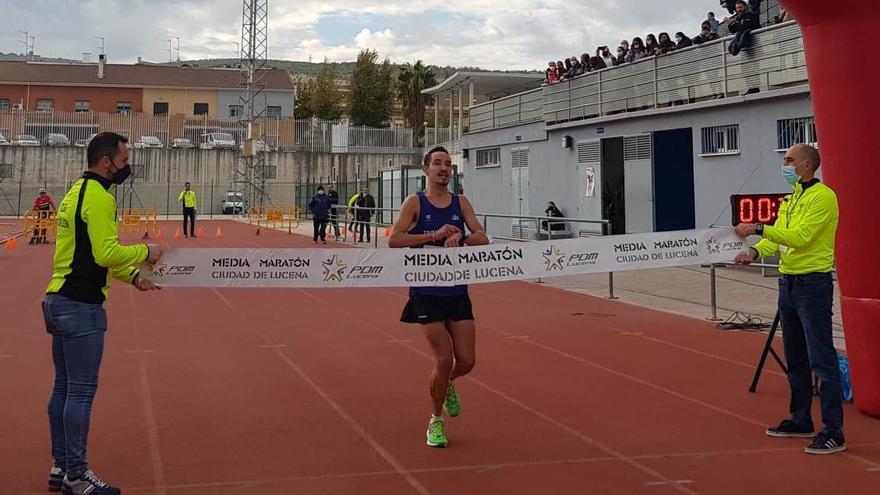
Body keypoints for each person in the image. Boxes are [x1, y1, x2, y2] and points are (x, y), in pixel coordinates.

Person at [42, 132, 163, 494]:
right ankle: (77, 476)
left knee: (63, 388)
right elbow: (105, 254)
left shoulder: (73, 194)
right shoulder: (99, 197)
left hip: (59, 298)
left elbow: (87, 254)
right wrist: (144, 251)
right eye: (125, 161)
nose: (127, 167)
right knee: (80, 392)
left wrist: (133, 277)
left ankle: (61, 465)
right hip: (80, 306)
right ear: (106, 161)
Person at [734, 144, 845, 455]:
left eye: (789, 160)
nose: (784, 165)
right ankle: (801, 419)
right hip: (789, 284)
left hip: (813, 284)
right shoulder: (791, 199)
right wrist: (755, 250)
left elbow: (800, 238)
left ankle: (834, 430)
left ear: (807, 165)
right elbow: (778, 239)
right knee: (795, 356)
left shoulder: (823, 198)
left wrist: (757, 227)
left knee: (821, 358)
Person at [388, 146, 489, 448]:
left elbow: (482, 237)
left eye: (447, 164)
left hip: (457, 289)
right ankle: (435, 421)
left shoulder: (461, 202)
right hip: (425, 291)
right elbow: (395, 239)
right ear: (426, 170)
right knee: (443, 359)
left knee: (467, 360)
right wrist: (434, 235)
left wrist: (463, 237)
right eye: (437, 164)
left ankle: (447, 386)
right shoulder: (415, 202)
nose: (444, 168)